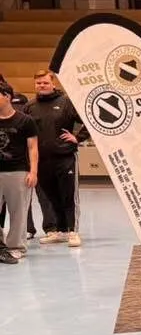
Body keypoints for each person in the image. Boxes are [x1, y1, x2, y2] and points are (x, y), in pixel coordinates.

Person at [29, 70, 87, 246]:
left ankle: (73, 231)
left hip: (65, 157)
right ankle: (60, 231)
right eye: (39, 83)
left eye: (45, 82)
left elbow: (88, 120)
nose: (42, 85)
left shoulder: (66, 102)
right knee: (52, 196)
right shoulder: (30, 106)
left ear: (53, 84)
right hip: (42, 160)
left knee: (68, 196)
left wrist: (78, 138)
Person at [0, 81, 38, 265]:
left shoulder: (25, 120)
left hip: (17, 171)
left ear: (7, 96)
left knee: (18, 212)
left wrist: (33, 171)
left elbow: (32, 147)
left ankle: (16, 247)